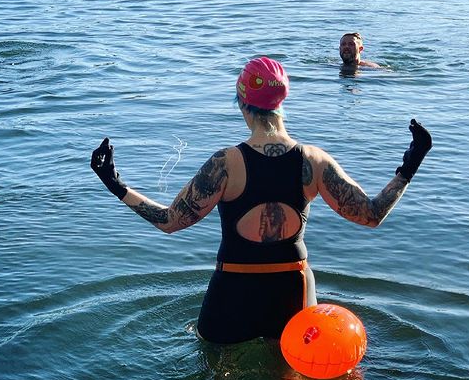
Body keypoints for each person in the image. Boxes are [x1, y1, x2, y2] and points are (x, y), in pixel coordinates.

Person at [91, 57, 431, 344]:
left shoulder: (225, 164)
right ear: (282, 101)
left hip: (232, 293)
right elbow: (371, 215)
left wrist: (115, 184)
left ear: (242, 101)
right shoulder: (314, 162)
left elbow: (170, 222)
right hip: (293, 292)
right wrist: (409, 166)